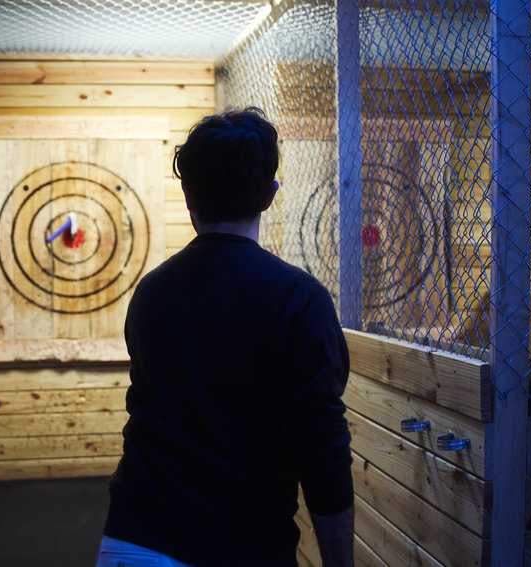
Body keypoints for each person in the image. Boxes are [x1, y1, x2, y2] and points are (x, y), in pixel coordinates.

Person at [97, 107, 354, 567]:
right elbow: (323, 450)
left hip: (134, 541)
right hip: (244, 546)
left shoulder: (151, 293)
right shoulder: (300, 299)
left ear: (188, 195)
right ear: (271, 195)